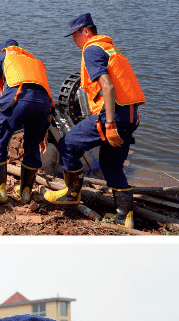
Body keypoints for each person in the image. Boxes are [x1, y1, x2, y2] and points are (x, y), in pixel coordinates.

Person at [44, 13, 145, 228]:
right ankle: (124, 217)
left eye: (75, 35)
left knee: (67, 144)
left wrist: (109, 124)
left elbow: (107, 87)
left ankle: (72, 193)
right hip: (130, 117)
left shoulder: (91, 49)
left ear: (86, 32)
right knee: (111, 166)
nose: (73, 40)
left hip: (113, 117)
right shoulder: (110, 48)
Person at [0, 39, 53, 204]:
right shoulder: (34, 62)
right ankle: (26, 193)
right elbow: (48, 97)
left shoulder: (3, 56)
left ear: (3, 50)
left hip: (18, 100)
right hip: (44, 105)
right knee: (32, 146)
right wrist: (44, 132)